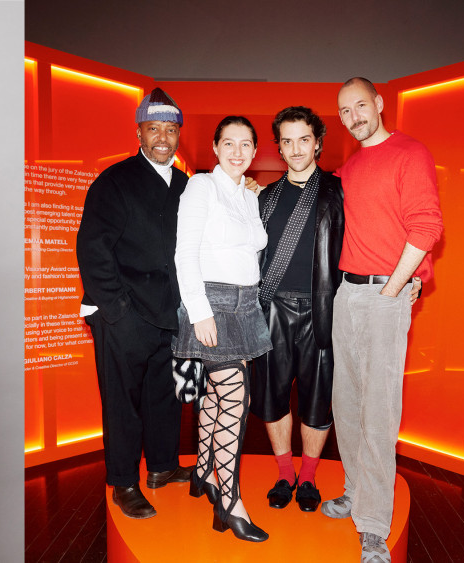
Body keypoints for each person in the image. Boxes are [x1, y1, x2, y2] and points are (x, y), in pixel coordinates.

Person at [322, 77, 442, 563]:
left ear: (378, 103)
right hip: (346, 295)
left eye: (359, 105)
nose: (352, 116)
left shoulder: (410, 152)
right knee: (346, 406)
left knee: (378, 413)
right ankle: (355, 492)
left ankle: (373, 526)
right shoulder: (350, 167)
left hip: (382, 297)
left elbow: (427, 225)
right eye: (343, 111)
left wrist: (394, 289)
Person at [76, 88, 191, 520]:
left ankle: (162, 467)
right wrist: (117, 310)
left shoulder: (186, 185)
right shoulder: (115, 180)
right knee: (121, 401)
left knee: (165, 395)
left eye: (171, 129)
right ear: (139, 132)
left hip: (169, 313)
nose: (163, 137)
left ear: (179, 134)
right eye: (154, 128)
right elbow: (92, 248)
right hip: (123, 314)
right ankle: (123, 481)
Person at [174, 116, 271, 542]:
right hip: (211, 304)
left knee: (217, 394)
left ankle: (203, 473)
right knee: (236, 392)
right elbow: (184, 252)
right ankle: (229, 502)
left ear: (254, 150)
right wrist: (199, 311)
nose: (237, 151)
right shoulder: (201, 186)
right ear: (215, 147)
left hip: (245, 304)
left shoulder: (247, 196)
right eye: (228, 143)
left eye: (245, 144)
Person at [249, 106, 344, 513]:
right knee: (271, 397)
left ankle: (308, 476)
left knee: (317, 399)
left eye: (303, 139)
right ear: (279, 147)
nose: (295, 149)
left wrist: (412, 277)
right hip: (270, 309)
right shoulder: (263, 198)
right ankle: (284, 472)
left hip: (324, 309)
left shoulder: (339, 191)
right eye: (286, 141)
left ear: (318, 142)